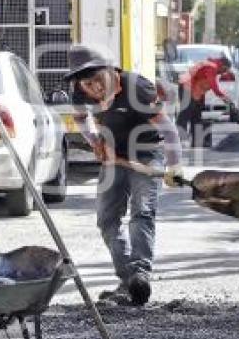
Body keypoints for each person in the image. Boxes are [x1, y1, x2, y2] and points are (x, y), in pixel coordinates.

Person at [65, 45, 183, 306]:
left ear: (111, 71)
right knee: (107, 219)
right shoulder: (79, 91)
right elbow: (80, 118)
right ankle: (129, 281)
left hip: (147, 152)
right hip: (114, 155)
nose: (94, 87)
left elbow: (169, 129)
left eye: (98, 79)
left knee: (142, 212)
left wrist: (175, 166)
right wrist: (93, 138)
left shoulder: (136, 88)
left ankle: (141, 273)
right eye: (87, 83)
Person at [177, 56, 234, 148]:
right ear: (223, 65)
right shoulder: (212, 67)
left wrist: (201, 102)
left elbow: (201, 83)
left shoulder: (210, 65)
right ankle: (180, 139)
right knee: (185, 114)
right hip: (186, 87)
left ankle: (197, 142)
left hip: (192, 88)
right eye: (225, 70)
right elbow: (214, 86)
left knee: (196, 115)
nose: (223, 73)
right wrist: (227, 100)